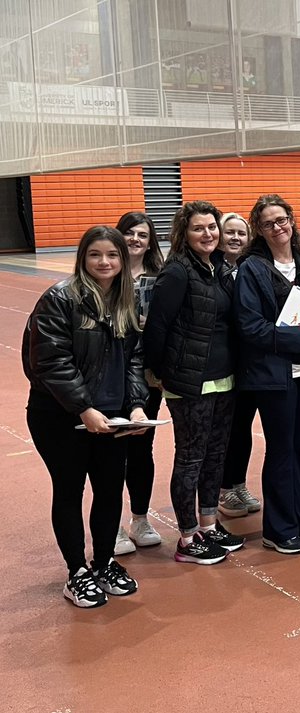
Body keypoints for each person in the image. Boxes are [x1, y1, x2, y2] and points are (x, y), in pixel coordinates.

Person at [23, 226, 150, 606]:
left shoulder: (126, 300)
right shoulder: (61, 298)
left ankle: (105, 561)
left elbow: (135, 358)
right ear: (83, 258)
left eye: (112, 255)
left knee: (110, 490)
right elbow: (50, 361)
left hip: (112, 417)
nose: (105, 262)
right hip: (60, 415)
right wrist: (83, 407)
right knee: (69, 490)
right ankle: (76, 571)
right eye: (96, 254)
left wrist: (136, 403)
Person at [143, 201, 244, 565]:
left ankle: (208, 523)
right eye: (199, 228)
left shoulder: (218, 268)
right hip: (189, 382)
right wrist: (160, 372)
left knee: (215, 456)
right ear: (184, 233)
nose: (208, 234)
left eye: (212, 228)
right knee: (191, 457)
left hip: (224, 377)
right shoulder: (177, 272)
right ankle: (187, 537)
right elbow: (157, 327)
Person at [236, 194, 300, 555]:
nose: (277, 227)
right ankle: (277, 529)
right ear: (258, 230)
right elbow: (250, 327)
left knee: (298, 448)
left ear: (292, 221)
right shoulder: (252, 268)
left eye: (282, 220)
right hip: (273, 375)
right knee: (280, 449)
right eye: (268, 223)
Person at [113, 211, 165, 555]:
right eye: (130, 233)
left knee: (141, 447)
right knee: (110, 453)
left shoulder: (160, 277)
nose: (135, 239)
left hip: (148, 374)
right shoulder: (107, 275)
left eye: (142, 235)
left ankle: (140, 518)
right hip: (110, 373)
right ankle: (112, 524)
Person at [216, 212, 264, 518]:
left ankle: (238, 483)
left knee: (243, 426)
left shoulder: (250, 268)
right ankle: (222, 490)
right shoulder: (212, 270)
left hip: (248, 363)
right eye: (229, 232)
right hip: (221, 363)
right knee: (224, 429)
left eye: (241, 233)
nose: (235, 238)